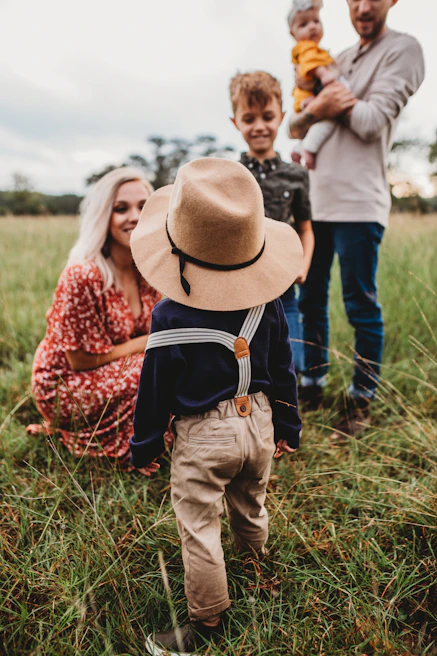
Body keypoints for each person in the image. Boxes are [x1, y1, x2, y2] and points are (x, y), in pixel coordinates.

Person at [129, 158, 303, 653]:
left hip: (204, 437)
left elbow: (154, 389)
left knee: (199, 524)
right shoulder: (266, 301)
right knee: (251, 503)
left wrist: (145, 446)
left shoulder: (166, 316)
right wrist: (288, 423)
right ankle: (255, 569)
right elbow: (284, 366)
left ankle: (206, 622)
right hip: (261, 420)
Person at [289, 0, 425, 436]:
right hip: (314, 201)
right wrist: (318, 108)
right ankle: (312, 383)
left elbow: (368, 121)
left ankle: (360, 400)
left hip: (358, 203)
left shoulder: (404, 50)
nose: (363, 6)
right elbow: (294, 124)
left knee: (359, 303)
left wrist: (323, 106)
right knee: (309, 298)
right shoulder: (338, 57)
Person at [30, 167, 161, 468]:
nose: (135, 216)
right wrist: (152, 341)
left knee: (170, 362)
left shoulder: (149, 270)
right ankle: (112, 442)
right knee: (156, 366)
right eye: (121, 208)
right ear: (103, 216)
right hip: (66, 383)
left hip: (114, 369)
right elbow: (80, 361)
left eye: (143, 206)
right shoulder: (83, 274)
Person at [229, 70, 314, 375]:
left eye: (268, 116)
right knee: (245, 354)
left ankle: (290, 409)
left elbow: (305, 227)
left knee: (288, 354)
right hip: (239, 284)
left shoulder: (297, 175)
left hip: (284, 286)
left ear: (281, 116)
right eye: (249, 119)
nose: (260, 126)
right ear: (235, 122)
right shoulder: (230, 174)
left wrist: (302, 267)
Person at [288, 0, 348, 170]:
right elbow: (311, 65)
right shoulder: (306, 48)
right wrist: (324, 75)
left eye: (316, 21)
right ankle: (309, 148)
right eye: (304, 24)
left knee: (318, 122)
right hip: (311, 97)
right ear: (293, 33)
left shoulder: (315, 48)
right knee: (329, 120)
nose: (312, 27)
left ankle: (299, 148)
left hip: (308, 98)